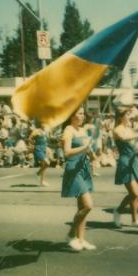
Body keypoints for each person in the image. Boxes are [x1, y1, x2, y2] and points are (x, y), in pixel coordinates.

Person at [61, 106, 96, 251]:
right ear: (72, 116)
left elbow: (87, 149)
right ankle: (70, 235)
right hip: (73, 169)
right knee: (88, 206)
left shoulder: (82, 130)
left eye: (83, 114)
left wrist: (93, 155)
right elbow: (67, 152)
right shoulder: (68, 130)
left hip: (83, 168)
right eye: (80, 114)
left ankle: (81, 240)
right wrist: (84, 148)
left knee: (82, 207)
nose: (82, 116)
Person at [113, 107, 138, 228]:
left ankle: (135, 219)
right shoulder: (117, 130)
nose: (130, 117)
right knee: (134, 192)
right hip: (125, 162)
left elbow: (135, 142)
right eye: (127, 115)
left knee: (134, 194)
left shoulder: (129, 128)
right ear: (120, 117)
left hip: (134, 161)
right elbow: (123, 138)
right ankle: (118, 211)